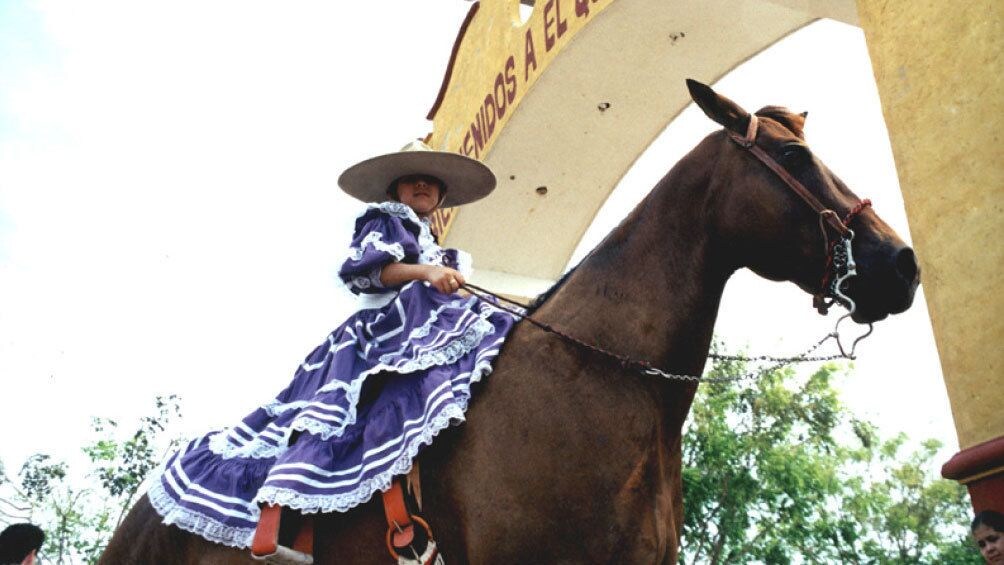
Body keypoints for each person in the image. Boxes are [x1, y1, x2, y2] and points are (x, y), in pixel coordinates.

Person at [146, 141, 517, 559]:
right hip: (384, 330)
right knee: (342, 420)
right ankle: (290, 525)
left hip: (424, 323)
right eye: (413, 178)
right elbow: (373, 271)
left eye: (431, 180)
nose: (422, 184)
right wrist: (428, 272)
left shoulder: (431, 238)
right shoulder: (384, 220)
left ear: (442, 195)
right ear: (395, 189)